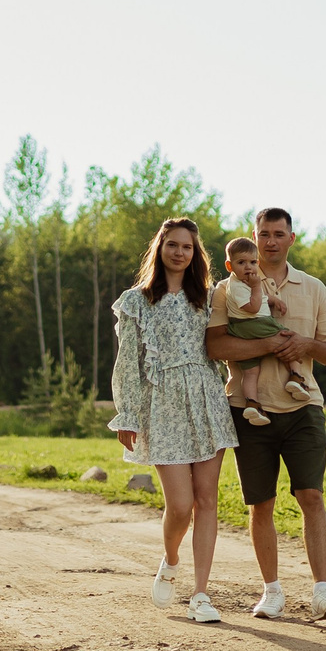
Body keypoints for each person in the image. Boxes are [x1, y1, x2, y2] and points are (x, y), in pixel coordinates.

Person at [204, 206, 326, 621]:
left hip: (304, 408)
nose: (270, 241)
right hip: (249, 410)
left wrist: (303, 344)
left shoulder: (314, 288)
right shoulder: (227, 288)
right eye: (263, 233)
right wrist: (268, 345)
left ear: (291, 239)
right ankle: (272, 591)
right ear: (254, 236)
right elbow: (216, 348)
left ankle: (322, 591)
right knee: (260, 504)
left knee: (312, 495)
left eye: (278, 234)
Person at [109, 217, 239, 624]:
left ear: (195, 253)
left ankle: (201, 595)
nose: (180, 252)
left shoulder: (210, 296)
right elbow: (128, 363)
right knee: (180, 506)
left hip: (206, 399)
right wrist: (126, 414)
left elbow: (247, 317)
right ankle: (170, 559)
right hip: (161, 405)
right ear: (160, 248)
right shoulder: (136, 300)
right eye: (173, 245)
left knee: (207, 501)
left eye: (187, 247)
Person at [213, 236, 313, 425]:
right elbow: (252, 306)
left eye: (252, 262)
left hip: (241, 331)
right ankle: (296, 377)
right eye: (241, 262)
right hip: (256, 324)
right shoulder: (235, 285)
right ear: (229, 266)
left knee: (251, 372)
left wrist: (271, 299)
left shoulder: (241, 283)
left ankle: (252, 404)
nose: (248, 267)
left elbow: (256, 296)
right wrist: (258, 286)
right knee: (289, 340)